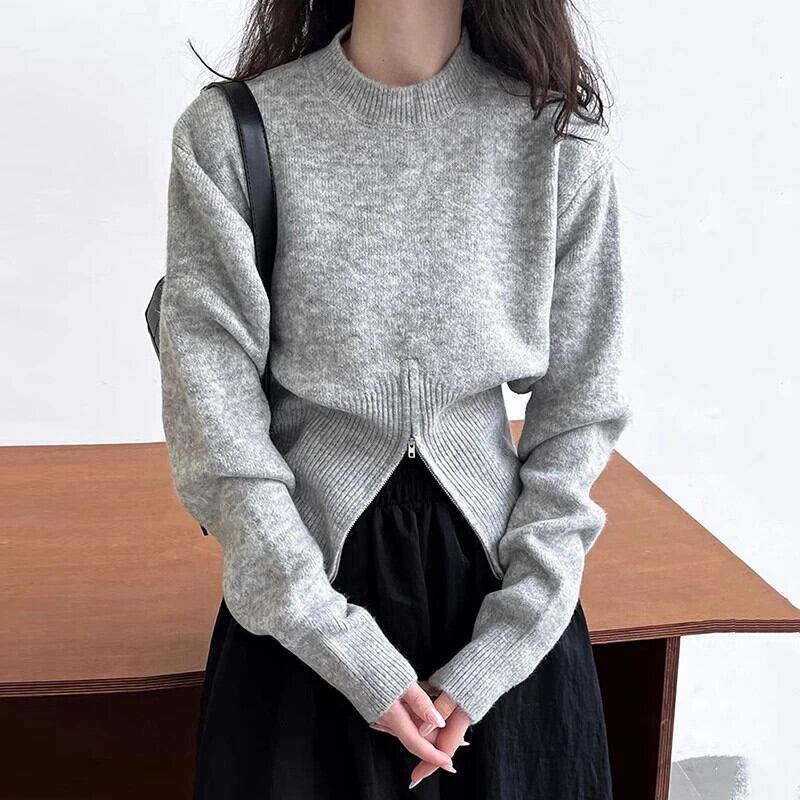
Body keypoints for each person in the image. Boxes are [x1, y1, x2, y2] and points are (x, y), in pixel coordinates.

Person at [158, 1, 633, 797]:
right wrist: (332, 637)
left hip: (504, 625)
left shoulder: (559, 141)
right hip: (301, 622)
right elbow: (214, 425)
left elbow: (582, 411)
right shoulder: (233, 135)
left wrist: (506, 643)